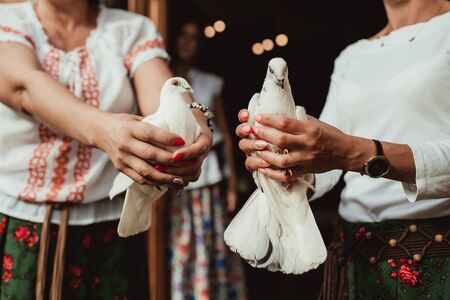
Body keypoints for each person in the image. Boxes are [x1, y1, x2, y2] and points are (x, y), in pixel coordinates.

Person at [236, 0, 450, 299]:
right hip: (352, 253)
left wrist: (356, 153)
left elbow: (342, 151)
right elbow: (324, 163)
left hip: (436, 255)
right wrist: (285, 163)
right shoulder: (352, 56)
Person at [0, 0, 211, 298]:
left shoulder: (131, 29)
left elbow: (162, 94)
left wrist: (192, 130)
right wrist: (106, 132)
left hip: (106, 232)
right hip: (16, 225)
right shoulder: (8, 20)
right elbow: (24, 87)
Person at [167, 21, 246, 300]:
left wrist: (232, 184)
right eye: (182, 36)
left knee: (209, 240)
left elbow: (222, 132)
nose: (187, 43)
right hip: (169, 176)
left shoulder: (208, 82)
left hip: (207, 175)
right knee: (181, 242)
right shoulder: (159, 78)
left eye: (193, 38)